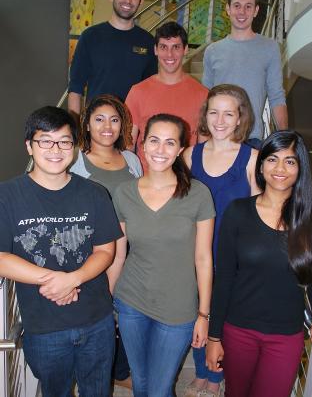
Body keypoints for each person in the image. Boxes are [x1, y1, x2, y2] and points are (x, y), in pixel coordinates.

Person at [0, 106, 123, 397]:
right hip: (43, 326)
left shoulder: (95, 193)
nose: (55, 149)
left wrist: (74, 278)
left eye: (64, 141)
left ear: (75, 147)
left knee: (98, 392)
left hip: (97, 320)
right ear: (29, 146)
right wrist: (55, 279)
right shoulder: (7, 195)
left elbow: (106, 250)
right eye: (45, 140)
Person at [206, 130, 312, 397]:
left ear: (300, 167)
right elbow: (225, 277)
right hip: (238, 328)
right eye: (272, 159)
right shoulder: (238, 212)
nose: (280, 168)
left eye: (290, 161)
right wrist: (214, 337)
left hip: (286, 335)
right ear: (261, 165)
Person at [108, 113, 215, 397]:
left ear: (181, 149)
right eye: (154, 140)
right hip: (131, 302)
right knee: (140, 383)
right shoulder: (123, 193)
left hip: (178, 308)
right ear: (142, 144)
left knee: (159, 388)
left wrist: (204, 315)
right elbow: (118, 256)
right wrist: (107, 300)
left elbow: (203, 259)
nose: (160, 149)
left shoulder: (198, 194)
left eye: (170, 143)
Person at [183, 84, 259, 397]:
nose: (220, 119)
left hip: (234, 256)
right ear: (205, 114)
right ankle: (202, 370)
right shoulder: (190, 155)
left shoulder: (253, 158)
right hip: (195, 252)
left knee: (223, 316)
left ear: (241, 118)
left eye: (229, 113)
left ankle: (217, 375)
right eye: (214, 112)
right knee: (197, 313)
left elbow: (259, 214)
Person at [70, 94, 142, 389]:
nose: (107, 126)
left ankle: (120, 370)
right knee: (94, 311)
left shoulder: (132, 159)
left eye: (114, 120)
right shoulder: (74, 159)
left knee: (124, 308)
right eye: (99, 119)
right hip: (90, 250)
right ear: (86, 124)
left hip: (129, 247)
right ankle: (84, 370)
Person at [202, 0, 288, 146]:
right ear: (228, 9)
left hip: (253, 139)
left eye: (248, 6)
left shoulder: (270, 48)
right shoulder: (212, 51)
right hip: (218, 138)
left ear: (256, 11)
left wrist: (284, 140)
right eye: (237, 6)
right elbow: (205, 99)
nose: (242, 12)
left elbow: (276, 95)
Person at [68, 0, 157, 119]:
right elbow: (75, 88)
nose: (128, 0)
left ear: (140, 2)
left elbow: (150, 91)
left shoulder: (148, 42)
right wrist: (75, 131)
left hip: (132, 129)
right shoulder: (90, 37)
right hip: (97, 127)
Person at [126, 21, 208, 168]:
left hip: (186, 180)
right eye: (163, 47)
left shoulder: (202, 94)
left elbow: (204, 149)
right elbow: (128, 146)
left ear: (185, 49)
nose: (169, 54)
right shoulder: (137, 92)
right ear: (156, 50)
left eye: (176, 47)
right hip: (146, 180)